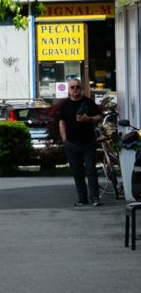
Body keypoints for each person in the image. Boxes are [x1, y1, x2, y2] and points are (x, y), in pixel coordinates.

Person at [59, 78, 103, 207]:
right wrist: (64, 140)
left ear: (81, 88)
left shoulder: (88, 102)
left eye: (77, 87)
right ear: (68, 90)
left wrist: (88, 119)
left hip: (88, 142)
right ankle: (82, 198)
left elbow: (99, 117)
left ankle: (95, 198)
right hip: (71, 144)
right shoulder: (65, 105)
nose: (75, 89)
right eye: (72, 87)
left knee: (91, 170)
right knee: (77, 172)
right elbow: (61, 122)